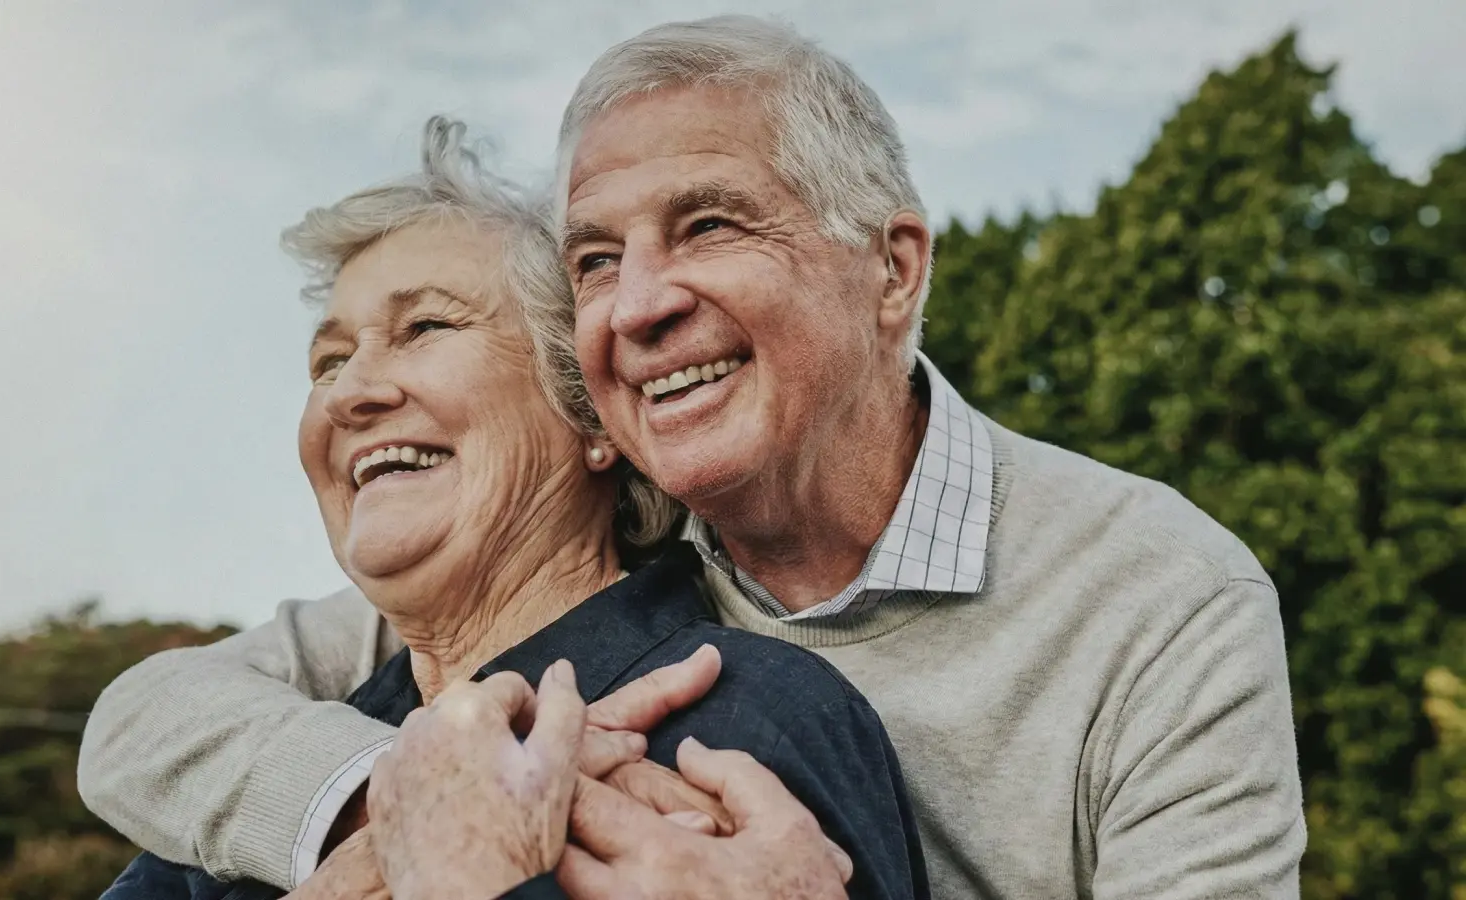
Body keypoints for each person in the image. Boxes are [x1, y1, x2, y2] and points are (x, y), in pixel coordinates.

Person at [81, 15, 1307, 899]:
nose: (637, 305)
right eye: (594, 260)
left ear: (892, 271)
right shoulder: (558, 582)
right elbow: (147, 717)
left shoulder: (1160, 598)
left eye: (709, 224)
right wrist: (395, 796)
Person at [92, 115, 926, 900]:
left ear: (591, 416)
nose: (348, 394)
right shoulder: (277, 783)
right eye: (328, 362)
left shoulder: (748, 720)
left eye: (425, 327)